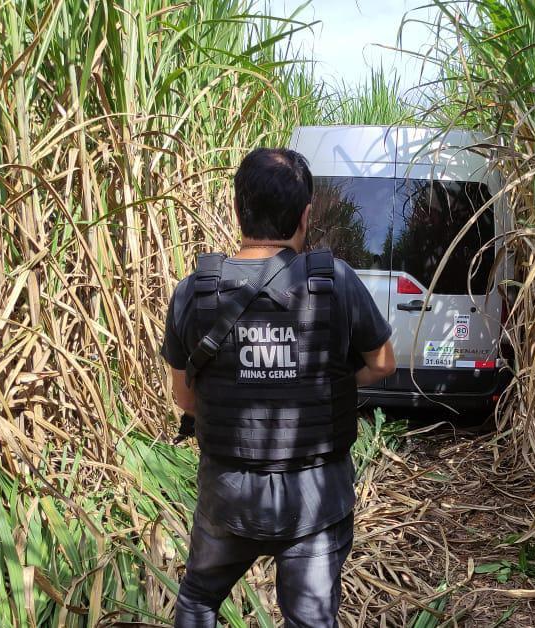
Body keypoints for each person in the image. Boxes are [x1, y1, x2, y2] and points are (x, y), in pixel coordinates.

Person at [161, 147, 395, 627]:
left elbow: (184, 397)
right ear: (306, 215)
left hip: (227, 494)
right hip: (315, 499)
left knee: (198, 601)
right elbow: (384, 363)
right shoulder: (337, 282)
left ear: (238, 208)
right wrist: (327, 383)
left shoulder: (195, 290)